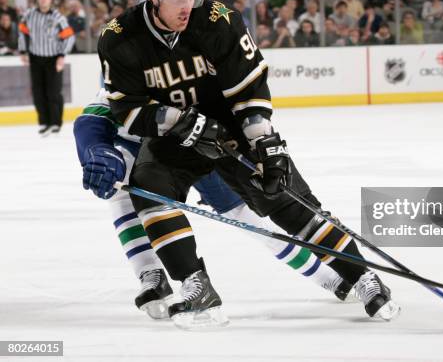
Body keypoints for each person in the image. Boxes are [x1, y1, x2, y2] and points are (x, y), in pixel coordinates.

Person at [98, 0, 399, 329]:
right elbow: (127, 108)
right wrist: (178, 121)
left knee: (284, 195)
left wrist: (263, 141)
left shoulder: (219, 21)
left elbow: (249, 89)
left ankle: (362, 277)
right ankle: (196, 286)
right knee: (147, 187)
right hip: (174, 136)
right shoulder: (120, 37)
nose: (188, 7)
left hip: (230, 130)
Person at [73, 90, 354, 319]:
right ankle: (151, 274)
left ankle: (328, 277)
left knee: (249, 218)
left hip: (195, 154)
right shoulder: (123, 83)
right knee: (121, 190)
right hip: (150, 159)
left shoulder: (178, 80)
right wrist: (97, 152)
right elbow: (90, 121)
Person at [18, 0, 75, 136]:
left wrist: (62, 55)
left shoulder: (58, 17)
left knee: (53, 92)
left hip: (53, 58)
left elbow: (69, 36)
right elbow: (22, 32)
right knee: (38, 92)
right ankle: (44, 122)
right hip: (35, 58)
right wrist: (23, 51)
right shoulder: (29, 15)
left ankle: (55, 123)